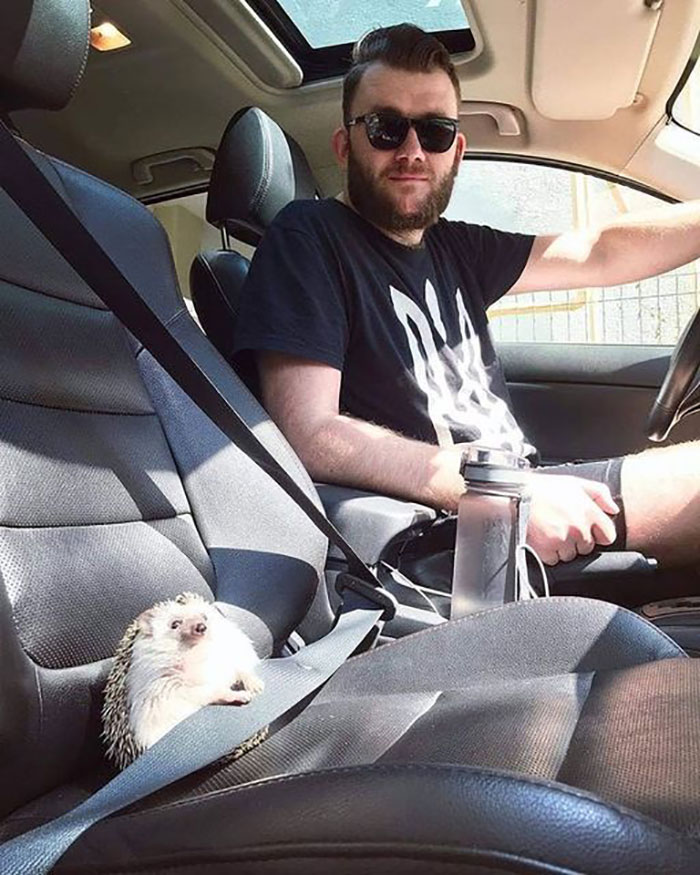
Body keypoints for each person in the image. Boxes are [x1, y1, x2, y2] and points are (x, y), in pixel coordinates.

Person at [233, 23, 700, 569]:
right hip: (442, 529)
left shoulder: (454, 247)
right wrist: (504, 495)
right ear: (345, 143)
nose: (412, 151)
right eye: (386, 128)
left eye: (433, 132)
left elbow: (599, 250)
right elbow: (309, 431)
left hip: (512, 490)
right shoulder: (308, 237)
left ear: (456, 151)